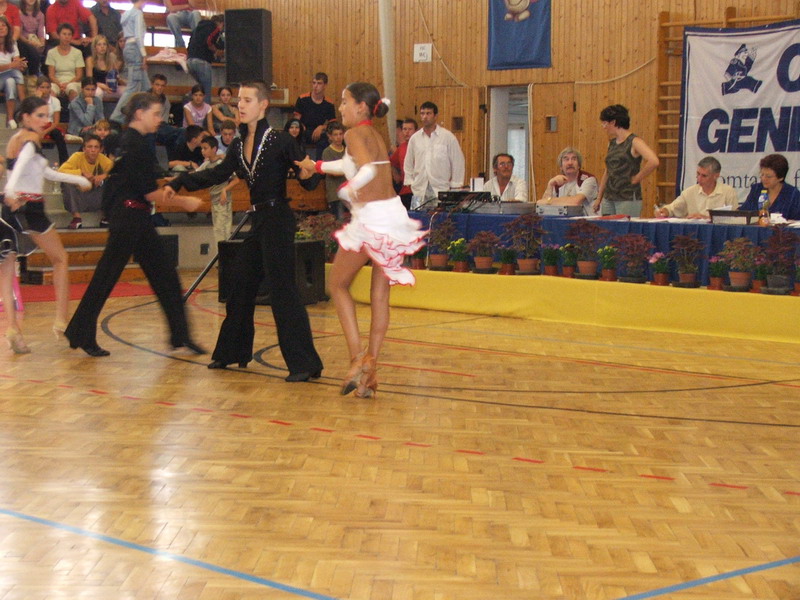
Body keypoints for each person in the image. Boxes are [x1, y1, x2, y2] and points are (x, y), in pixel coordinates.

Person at [164, 79, 324, 381]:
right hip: (259, 220)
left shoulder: (279, 140)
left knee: (283, 291)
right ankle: (232, 352)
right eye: (239, 100)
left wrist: (308, 173)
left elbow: (310, 180)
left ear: (263, 105)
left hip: (278, 219)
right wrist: (178, 181)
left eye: (247, 100)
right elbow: (216, 174)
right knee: (239, 285)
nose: (240, 105)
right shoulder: (237, 146)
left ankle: (305, 364)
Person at [297, 82, 427, 398]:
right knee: (379, 295)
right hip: (394, 216)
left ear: (361, 107)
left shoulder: (354, 134)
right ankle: (370, 369)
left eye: (345, 102)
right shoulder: (374, 135)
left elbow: (365, 170)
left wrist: (349, 189)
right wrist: (316, 165)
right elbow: (349, 164)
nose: (340, 107)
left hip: (372, 218)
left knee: (337, 285)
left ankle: (357, 357)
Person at [64, 92, 205, 357]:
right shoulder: (135, 144)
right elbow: (149, 193)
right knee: (108, 277)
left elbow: (126, 183)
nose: (160, 119)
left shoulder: (129, 141)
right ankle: (80, 332)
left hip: (134, 218)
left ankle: (180, 335)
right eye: (155, 114)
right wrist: (184, 202)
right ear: (139, 114)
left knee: (163, 275)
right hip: (129, 219)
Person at [3, 96, 90, 352]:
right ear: (26, 117)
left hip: (9, 210)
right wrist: (11, 189)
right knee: (60, 259)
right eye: (40, 115)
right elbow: (22, 163)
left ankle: (13, 329)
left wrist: (77, 180)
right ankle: (62, 319)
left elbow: (45, 172)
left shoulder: (15, 138)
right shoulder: (31, 139)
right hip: (29, 207)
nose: (46, 120)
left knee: (6, 271)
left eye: (47, 115)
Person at [593, 104, 659, 217]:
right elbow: (608, 171)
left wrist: (637, 177)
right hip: (609, 197)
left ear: (613, 122)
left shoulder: (634, 142)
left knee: (625, 227)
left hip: (627, 197)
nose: (603, 127)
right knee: (606, 227)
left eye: (604, 123)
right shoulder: (612, 143)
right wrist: (599, 197)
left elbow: (653, 161)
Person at [403, 100, 466, 210]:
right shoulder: (415, 138)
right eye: (422, 113)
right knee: (417, 218)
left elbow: (458, 161)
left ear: (435, 116)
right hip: (419, 189)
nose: (425, 117)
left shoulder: (447, 137)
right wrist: (410, 181)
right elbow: (408, 161)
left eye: (428, 113)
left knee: (440, 218)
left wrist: (456, 184)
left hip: (440, 189)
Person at [654, 156, 739, 219]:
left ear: (716, 176)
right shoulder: (689, 192)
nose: (699, 178)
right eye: (698, 174)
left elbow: (736, 218)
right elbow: (672, 208)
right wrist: (664, 211)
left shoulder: (728, 192)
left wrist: (705, 218)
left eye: (704, 176)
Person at [58, 133, 113, 228]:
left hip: (96, 197)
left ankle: (106, 217)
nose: (93, 150)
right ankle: (77, 218)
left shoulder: (103, 159)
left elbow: (120, 171)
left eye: (96, 147)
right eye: (90, 147)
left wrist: (103, 176)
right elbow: (61, 171)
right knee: (66, 181)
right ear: (84, 149)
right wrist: (81, 173)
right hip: (79, 196)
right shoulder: (77, 157)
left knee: (113, 181)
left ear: (101, 150)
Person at [108, 0, 147, 125]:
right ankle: (115, 118)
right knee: (133, 86)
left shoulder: (126, 14)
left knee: (145, 86)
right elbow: (138, 36)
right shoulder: (137, 13)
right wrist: (143, 54)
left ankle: (146, 116)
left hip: (129, 48)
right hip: (135, 47)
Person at [739, 154, 800, 220]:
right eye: (762, 174)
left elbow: (797, 220)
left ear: (781, 178)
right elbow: (743, 213)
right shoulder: (756, 189)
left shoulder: (792, 194)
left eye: (768, 176)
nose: (763, 179)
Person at [539, 147, 598, 215]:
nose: (570, 163)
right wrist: (550, 184)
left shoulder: (589, 180)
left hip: (587, 220)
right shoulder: (558, 183)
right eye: (566, 159)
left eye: (574, 159)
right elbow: (542, 206)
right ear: (561, 166)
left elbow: (575, 202)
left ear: (579, 165)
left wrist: (550, 201)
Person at [195, 135, 231, 244]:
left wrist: (225, 190)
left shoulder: (222, 164)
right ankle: (222, 254)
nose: (203, 151)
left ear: (214, 149)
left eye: (205, 148)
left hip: (223, 202)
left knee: (222, 232)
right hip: (214, 201)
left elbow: (236, 179)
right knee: (218, 231)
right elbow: (195, 174)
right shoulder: (206, 165)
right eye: (202, 148)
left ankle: (223, 254)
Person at [293, 71, 336, 158]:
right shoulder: (302, 99)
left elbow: (333, 124)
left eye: (319, 83)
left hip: (319, 132)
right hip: (304, 130)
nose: (315, 86)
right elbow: (296, 119)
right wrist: (301, 126)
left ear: (325, 85)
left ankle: (319, 164)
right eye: (314, 83)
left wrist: (322, 127)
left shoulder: (329, 103)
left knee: (326, 138)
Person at [186, 14, 222, 105]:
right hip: (202, 61)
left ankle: (187, 102)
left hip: (190, 60)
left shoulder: (197, 28)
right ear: (220, 23)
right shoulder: (214, 28)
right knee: (206, 92)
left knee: (199, 90)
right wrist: (215, 50)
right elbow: (209, 41)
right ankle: (206, 112)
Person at [44, 22, 84, 101]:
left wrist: (67, 84)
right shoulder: (51, 52)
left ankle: (74, 108)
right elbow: (51, 75)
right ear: (59, 35)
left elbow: (79, 75)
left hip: (73, 82)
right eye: (64, 34)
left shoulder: (77, 53)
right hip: (57, 82)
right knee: (50, 91)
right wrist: (60, 85)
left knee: (72, 89)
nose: (67, 37)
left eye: (69, 34)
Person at [34, 74, 68, 163]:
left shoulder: (55, 101)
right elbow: (33, 118)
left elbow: (56, 122)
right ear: (37, 89)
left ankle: (64, 162)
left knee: (57, 134)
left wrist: (45, 132)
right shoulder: (33, 101)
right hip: (36, 125)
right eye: (42, 87)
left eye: (47, 87)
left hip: (50, 126)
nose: (45, 90)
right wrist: (38, 100)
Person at [0, 15, 26, 129]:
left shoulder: (12, 43)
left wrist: (21, 65)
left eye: (3, 25)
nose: (1, 28)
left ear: (8, 28)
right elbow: (13, 65)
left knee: (11, 81)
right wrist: (12, 65)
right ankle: (25, 107)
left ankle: (10, 119)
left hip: (7, 77)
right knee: (16, 73)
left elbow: (17, 61)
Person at [388, 117, 417, 209]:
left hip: (418, 189)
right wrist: (397, 177)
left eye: (410, 129)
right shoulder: (401, 148)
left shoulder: (421, 146)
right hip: (405, 190)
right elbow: (391, 162)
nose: (407, 132)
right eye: (404, 129)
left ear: (416, 131)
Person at [321, 121, 345, 218]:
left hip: (348, 194)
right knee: (339, 221)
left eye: (340, 134)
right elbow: (332, 172)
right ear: (330, 136)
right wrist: (349, 169)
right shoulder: (327, 152)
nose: (338, 137)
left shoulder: (347, 150)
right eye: (335, 135)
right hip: (335, 195)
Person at [85, 34, 119, 100]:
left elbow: (116, 76)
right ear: (95, 47)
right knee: (98, 92)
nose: (102, 47)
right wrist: (101, 85)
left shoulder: (111, 59)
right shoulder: (90, 60)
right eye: (99, 44)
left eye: (104, 44)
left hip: (109, 87)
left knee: (126, 91)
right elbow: (89, 80)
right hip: (95, 87)